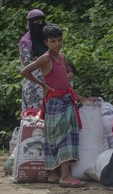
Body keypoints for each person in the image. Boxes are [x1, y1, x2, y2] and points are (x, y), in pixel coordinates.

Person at [21, 24, 87, 188]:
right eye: (53, 41)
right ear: (46, 42)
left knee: (61, 136)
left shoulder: (61, 57)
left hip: (66, 99)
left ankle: (53, 174)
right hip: (55, 102)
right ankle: (65, 177)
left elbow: (64, 81)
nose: (57, 44)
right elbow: (24, 72)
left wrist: (78, 97)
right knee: (62, 137)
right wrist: (42, 84)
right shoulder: (45, 58)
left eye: (59, 40)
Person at [19, 9, 48, 110]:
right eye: (36, 23)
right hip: (33, 84)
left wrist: (38, 59)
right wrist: (43, 60)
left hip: (49, 83)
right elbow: (26, 63)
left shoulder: (47, 38)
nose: (40, 24)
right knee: (35, 119)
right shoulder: (25, 42)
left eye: (42, 22)